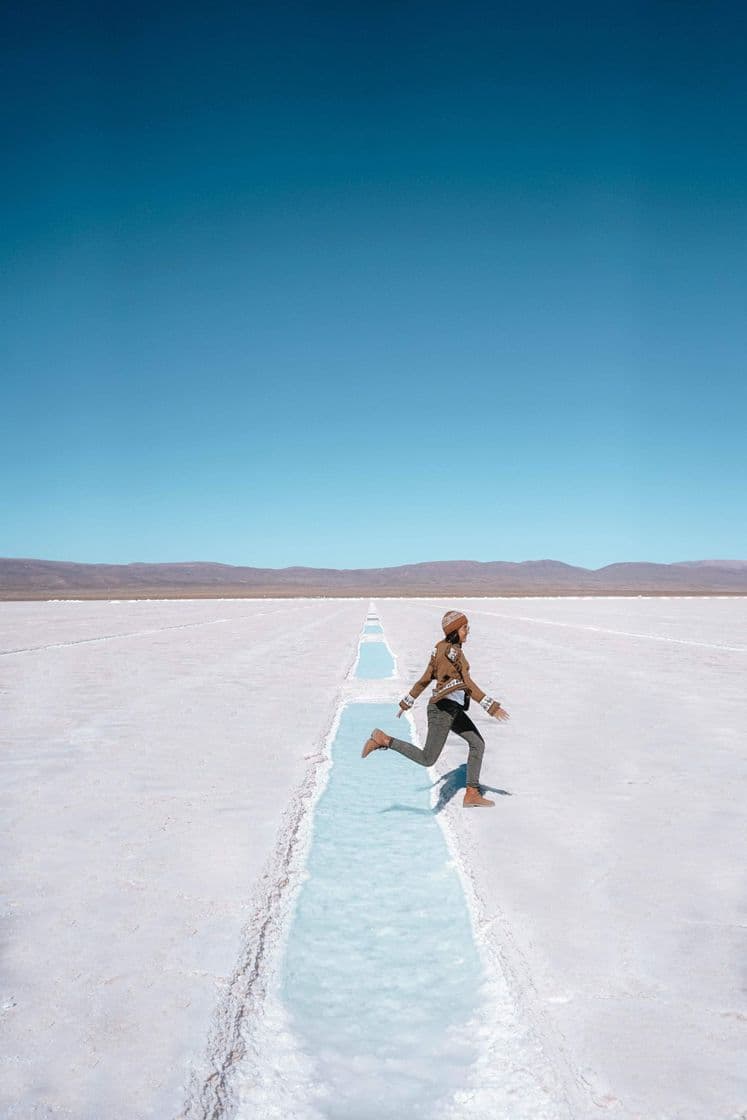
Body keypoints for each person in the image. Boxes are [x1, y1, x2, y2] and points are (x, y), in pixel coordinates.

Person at [362, 610, 509, 807]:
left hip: (452, 708)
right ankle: (385, 740)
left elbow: (425, 678)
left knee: (477, 744)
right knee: (427, 758)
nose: (468, 632)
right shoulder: (452, 653)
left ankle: (471, 793)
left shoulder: (440, 648)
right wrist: (490, 706)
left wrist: (408, 701)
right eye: (465, 628)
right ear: (455, 630)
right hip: (442, 711)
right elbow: (467, 683)